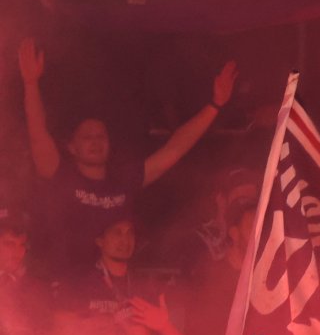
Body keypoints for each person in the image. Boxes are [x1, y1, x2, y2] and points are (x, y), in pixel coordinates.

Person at [20, 43, 234, 272]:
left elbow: (174, 149)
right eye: (87, 137)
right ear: (72, 147)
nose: (95, 141)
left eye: (101, 136)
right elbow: (38, 136)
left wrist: (214, 106)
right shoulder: (61, 174)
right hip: (65, 283)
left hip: (115, 286)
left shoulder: (123, 181)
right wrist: (31, 84)